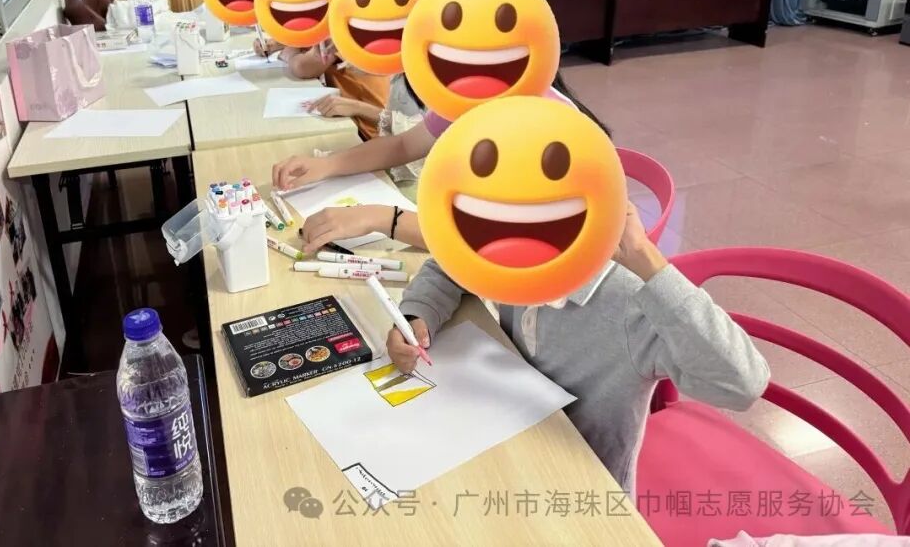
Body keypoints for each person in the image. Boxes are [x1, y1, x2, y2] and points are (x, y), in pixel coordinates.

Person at [391, 201, 769, 498]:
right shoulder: (506, 248)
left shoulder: (632, 302)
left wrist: (646, 260)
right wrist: (418, 313)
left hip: (584, 486)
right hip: (503, 438)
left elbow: (742, 384)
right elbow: (449, 265)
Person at [272, 73, 595, 254]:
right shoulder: (470, 94)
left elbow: (501, 236)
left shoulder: (545, 126)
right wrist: (328, 165)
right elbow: (403, 145)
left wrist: (383, 218)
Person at [255, 37, 389, 139]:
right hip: (357, 120)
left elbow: (304, 67)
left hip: (372, 131)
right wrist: (281, 43)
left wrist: (289, 54)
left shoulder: (343, 30)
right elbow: (307, 40)